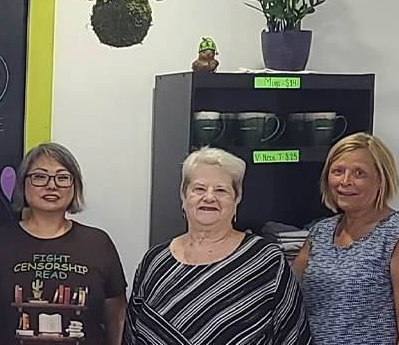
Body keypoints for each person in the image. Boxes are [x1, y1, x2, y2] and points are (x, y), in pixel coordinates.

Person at [123, 147, 310, 345]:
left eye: (221, 190)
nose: (209, 197)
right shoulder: (154, 262)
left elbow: (293, 335)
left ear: (237, 199)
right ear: (183, 196)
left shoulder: (265, 260)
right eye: (199, 189)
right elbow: (132, 334)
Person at [0, 142, 127, 345]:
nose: (51, 185)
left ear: (75, 186)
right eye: (40, 176)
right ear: (22, 184)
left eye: (62, 177)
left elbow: (117, 317)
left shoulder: (98, 243)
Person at [292, 133, 399, 345]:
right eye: (338, 171)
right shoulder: (320, 232)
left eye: (359, 173)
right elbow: (289, 287)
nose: (345, 181)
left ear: (381, 179)